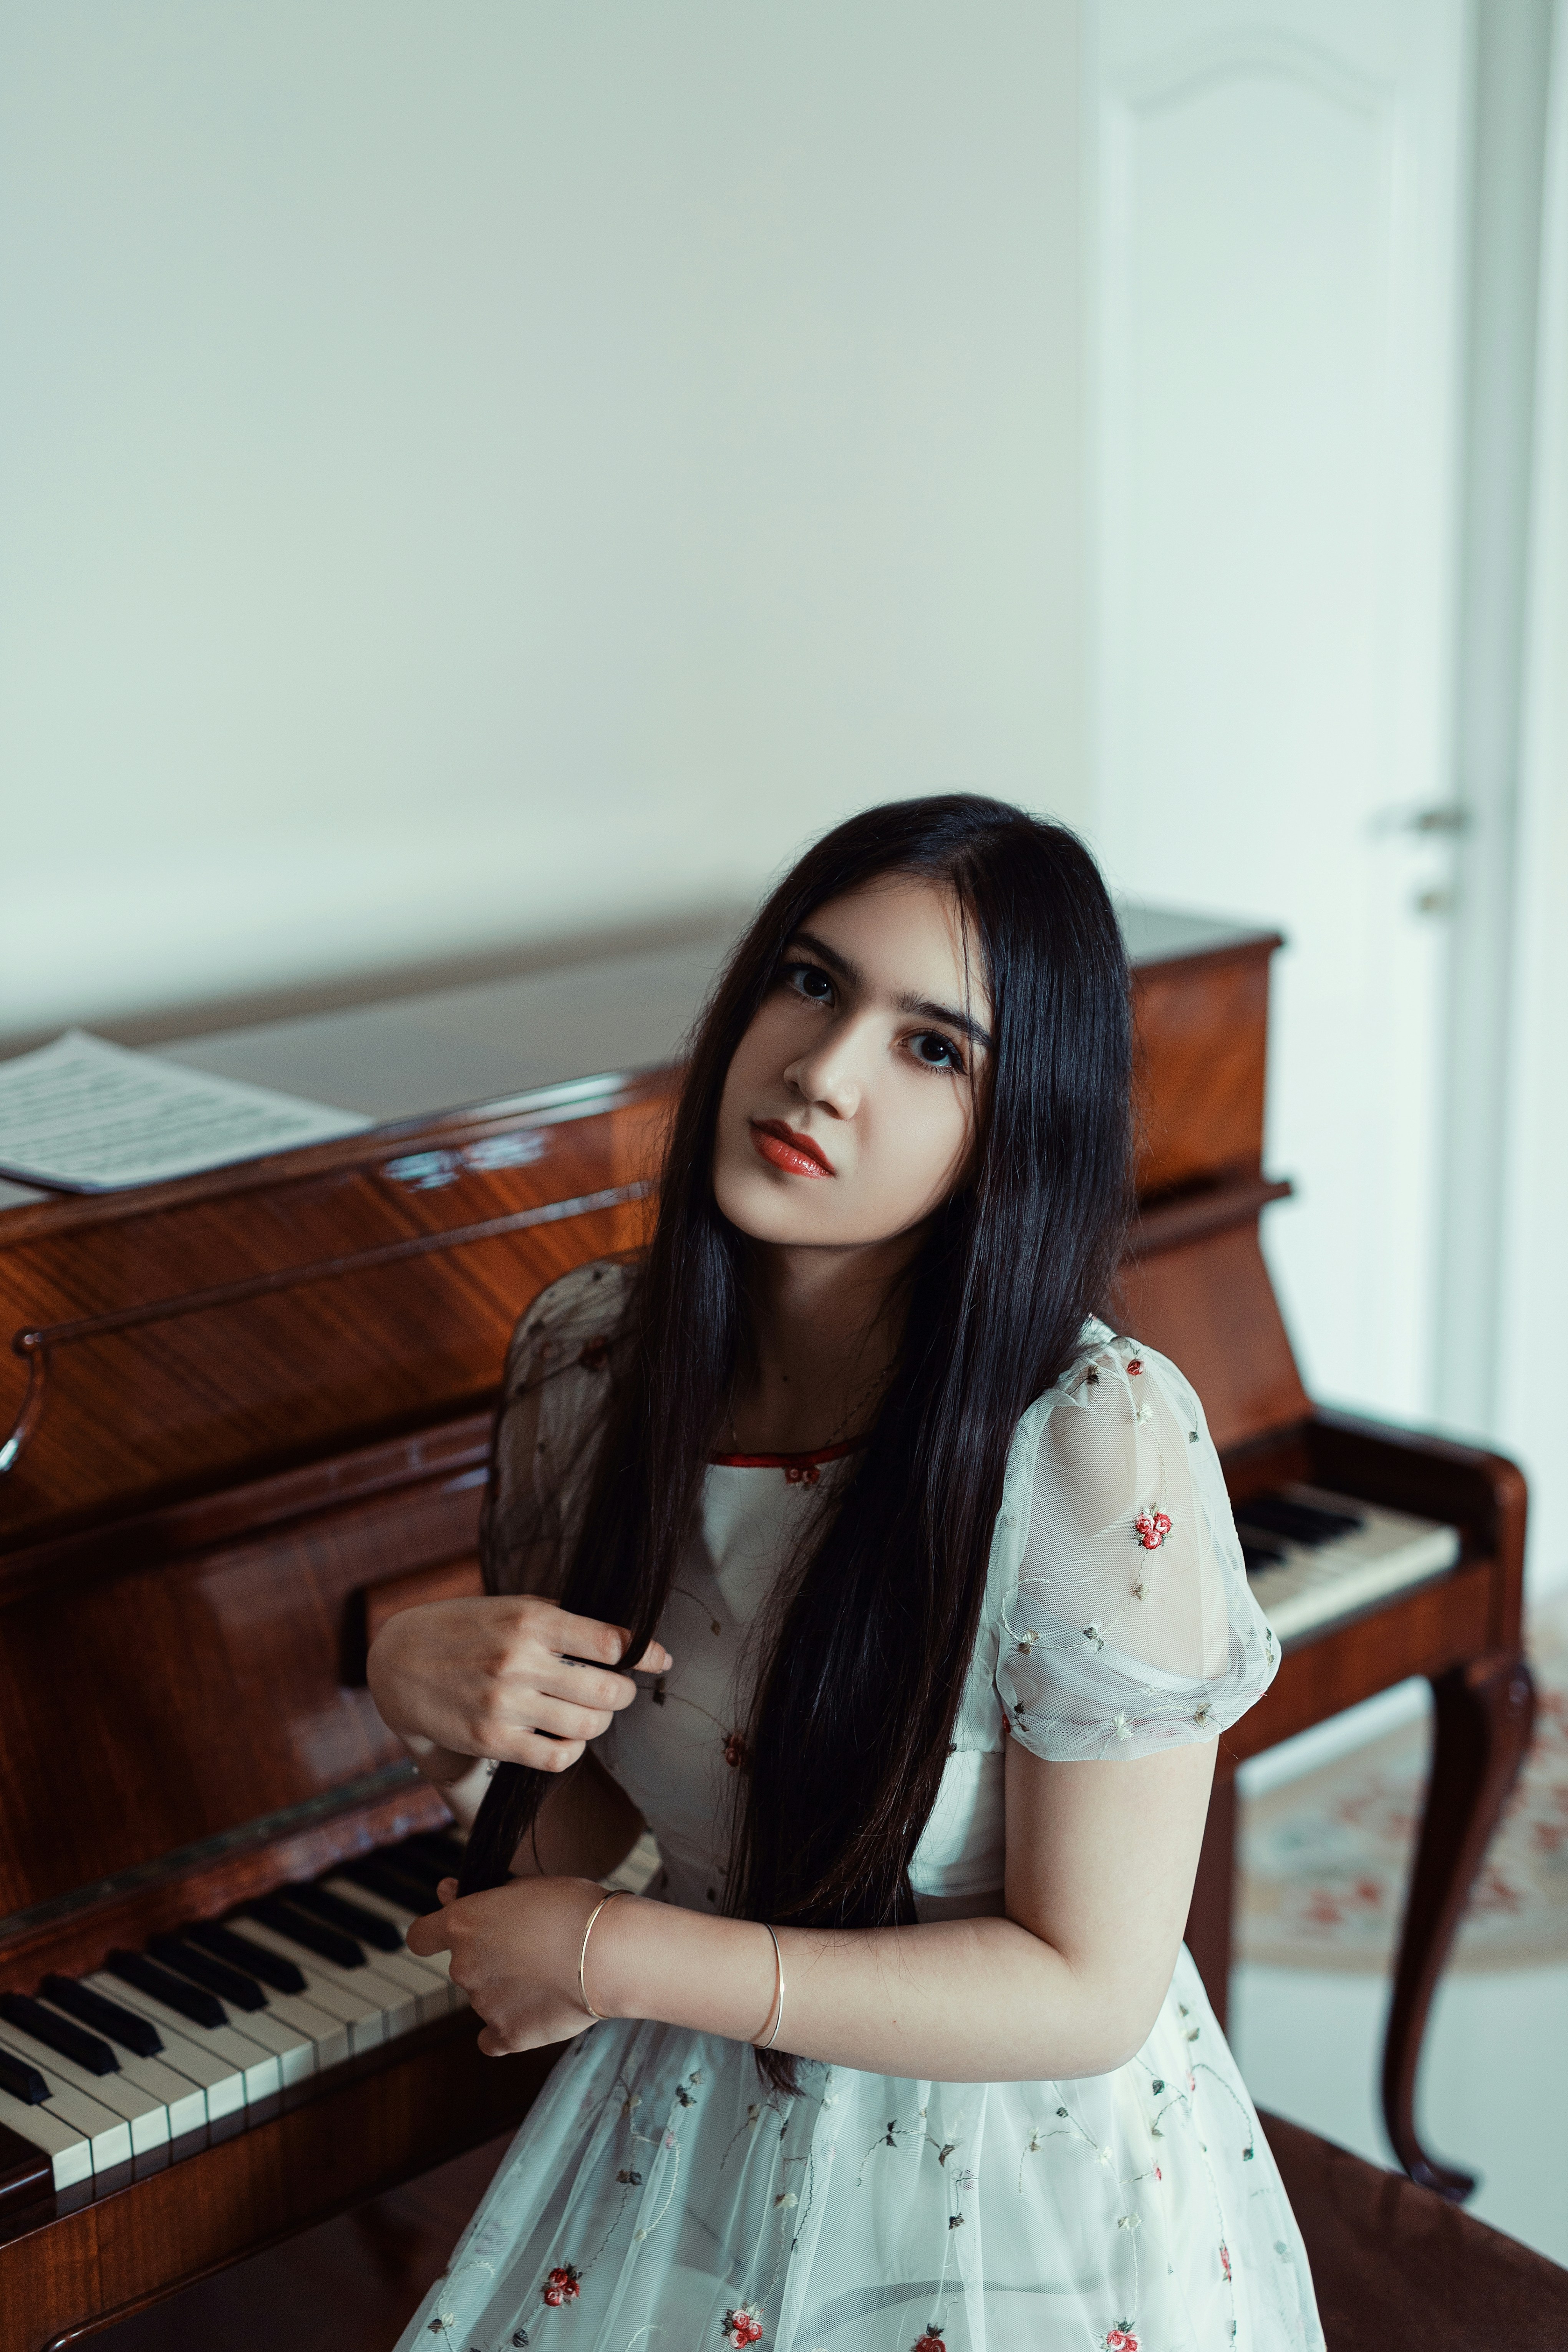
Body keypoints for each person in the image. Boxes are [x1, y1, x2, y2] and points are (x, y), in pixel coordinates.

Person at [369, 795, 1323, 2352]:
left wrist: (619, 1954)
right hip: (698, 2117)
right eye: (811, 982)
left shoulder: (1094, 1433)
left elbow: (1091, 1986)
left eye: (931, 1046)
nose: (822, 1070)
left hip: (1006, 2171)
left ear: (1018, 1125)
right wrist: (425, 1691)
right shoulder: (594, 1355)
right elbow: (591, 1815)